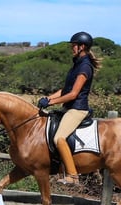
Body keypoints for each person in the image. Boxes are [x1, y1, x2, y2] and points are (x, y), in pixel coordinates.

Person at [38, 31, 101, 185]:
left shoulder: (85, 67)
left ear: (82, 47)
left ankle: (73, 176)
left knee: (59, 138)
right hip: (68, 108)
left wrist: (51, 103)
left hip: (77, 109)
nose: (71, 48)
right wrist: (48, 98)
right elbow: (65, 90)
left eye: (74, 45)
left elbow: (73, 94)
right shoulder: (76, 65)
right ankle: (59, 168)